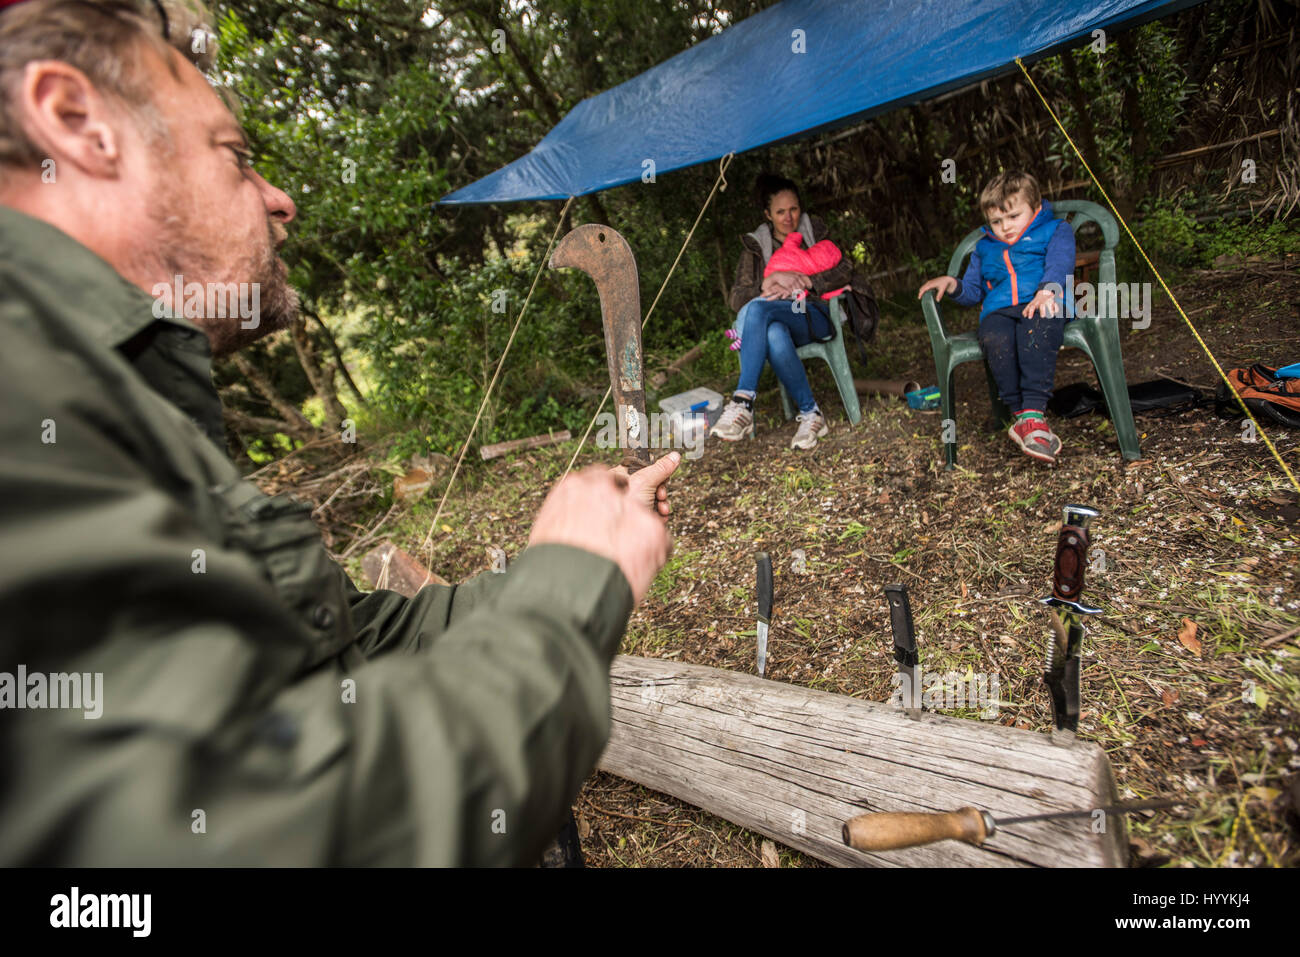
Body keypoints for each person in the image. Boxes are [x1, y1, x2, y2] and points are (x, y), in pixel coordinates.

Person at [0, 0, 678, 866]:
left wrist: (577, 563)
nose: (280, 199)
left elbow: (349, 638)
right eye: (236, 157)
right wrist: (569, 589)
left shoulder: (122, 406)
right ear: (75, 122)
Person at [918, 170, 1076, 464]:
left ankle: (1033, 412)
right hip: (1000, 311)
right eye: (996, 221)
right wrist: (952, 284)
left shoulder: (1055, 230)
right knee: (994, 338)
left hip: (1044, 301)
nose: (1005, 227)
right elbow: (973, 291)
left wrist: (1047, 291)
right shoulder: (984, 248)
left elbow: (1061, 262)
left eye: (1013, 216)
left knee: (1036, 329)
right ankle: (1021, 418)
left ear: (1036, 207)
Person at [712, 174, 854, 450]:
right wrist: (766, 282)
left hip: (815, 316)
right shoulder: (756, 247)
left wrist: (811, 281)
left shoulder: (814, 233)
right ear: (767, 214)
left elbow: (846, 269)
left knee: (759, 311)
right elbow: (737, 297)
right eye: (780, 212)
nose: (789, 217)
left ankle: (742, 402)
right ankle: (811, 414)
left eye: (794, 209)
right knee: (774, 331)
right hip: (781, 323)